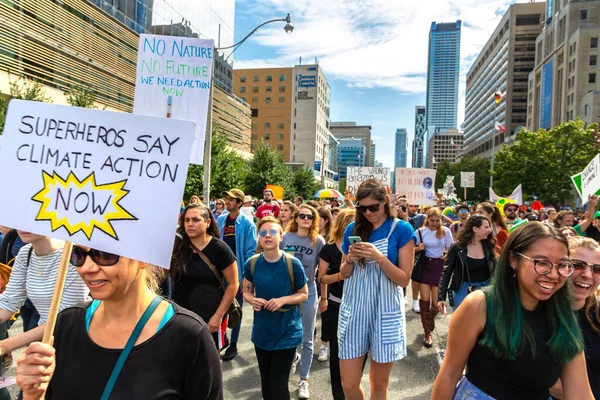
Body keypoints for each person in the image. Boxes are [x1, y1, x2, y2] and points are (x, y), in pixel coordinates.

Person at [17, 246, 224, 399]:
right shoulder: (67, 323)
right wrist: (32, 394)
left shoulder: (189, 336)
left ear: (143, 256)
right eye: (78, 255)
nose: (86, 268)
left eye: (104, 254)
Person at [432, 222, 593, 399]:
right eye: (541, 263)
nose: (553, 274)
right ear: (513, 260)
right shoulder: (480, 305)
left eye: (562, 265)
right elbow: (449, 374)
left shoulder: (564, 318)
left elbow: (580, 394)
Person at [339, 179, 415, 400]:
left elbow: (403, 280)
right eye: (362, 208)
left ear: (385, 202)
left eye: (374, 206)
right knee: (349, 384)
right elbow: (344, 274)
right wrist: (350, 260)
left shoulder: (402, 229)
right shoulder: (352, 229)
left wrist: (379, 257)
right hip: (355, 308)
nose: (368, 212)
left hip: (385, 311)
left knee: (379, 385)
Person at [242, 217, 308, 400]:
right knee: (266, 383)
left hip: (287, 331)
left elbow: (303, 293)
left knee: (278, 385)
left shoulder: (292, 263)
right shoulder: (252, 263)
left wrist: (282, 300)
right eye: (263, 233)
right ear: (259, 238)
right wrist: (252, 300)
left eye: (272, 232)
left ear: (281, 236)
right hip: (262, 332)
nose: (267, 236)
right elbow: (245, 291)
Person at [0, 232, 89, 356]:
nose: (24, 227)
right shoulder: (26, 253)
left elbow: (66, 318)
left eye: (34, 218)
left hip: (74, 342)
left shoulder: (74, 254)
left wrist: (5, 345)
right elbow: (8, 302)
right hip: (45, 341)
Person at [171, 204, 239, 351]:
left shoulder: (219, 249)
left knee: (209, 365)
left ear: (207, 223)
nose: (190, 224)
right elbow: (163, 275)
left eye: (195, 220)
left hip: (210, 319)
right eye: (187, 220)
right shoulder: (177, 247)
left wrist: (218, 316)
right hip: (181, 317)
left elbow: (233, 284)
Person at [281, 205, 326, 399]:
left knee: (307, 337)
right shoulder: (285, 237)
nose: (306, 218)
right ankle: (292, 357)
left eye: (310, 216)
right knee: (288, 333)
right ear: (296, 218)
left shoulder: (318, 241)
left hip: (308, 290)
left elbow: (322, 271)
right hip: (286, 291)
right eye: (302, 215)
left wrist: (324, 297)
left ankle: (304, 380)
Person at [549, 236, 600, 399]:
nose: (587, 275)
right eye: (577, 266)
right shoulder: (538, 314)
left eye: (597, 269)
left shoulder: (598, 314)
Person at [318, 209, 355, 400]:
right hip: (336, 306)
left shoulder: (362, 247)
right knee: (336, 355)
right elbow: (322, 278)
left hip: (358, 307)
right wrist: (341, 275)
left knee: (356, 353)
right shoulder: (329, 248)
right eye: (351, 222)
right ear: (342, 225)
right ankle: (338, 395)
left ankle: (351, 389)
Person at [217, 189, 258, 361]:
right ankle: (222, 339)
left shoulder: (247, 224)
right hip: (218, 273)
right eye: (226, 198)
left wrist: (245, 276)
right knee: (218, 307)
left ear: (239, 203)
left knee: (235, 309)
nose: (227, 201)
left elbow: (250, 251)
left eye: (231, 199)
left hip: (236, 273)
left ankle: (233, 343)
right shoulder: (220, 220)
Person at [413, 207, 454, 347]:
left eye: (438, 221)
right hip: (425, 265)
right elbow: (409, 249)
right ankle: (427, 333)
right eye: (432, 220)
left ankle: (428, 321)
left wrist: (447, 254)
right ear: (427, 219)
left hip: (439, 267)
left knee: (436, 304)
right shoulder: (420, 232)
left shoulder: (445, 231)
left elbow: (451, 249)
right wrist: (418, 248)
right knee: (425, 300)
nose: (435, 223)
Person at [438, 215, 496, 312]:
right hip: (462, 290)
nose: (489, 230)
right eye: (486, 227)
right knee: (462, 323)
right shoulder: (457, 247)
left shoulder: (488, 246)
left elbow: (495, 270)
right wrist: (441, 297)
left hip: (485, 289)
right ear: (475, 229)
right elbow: (446, 272)